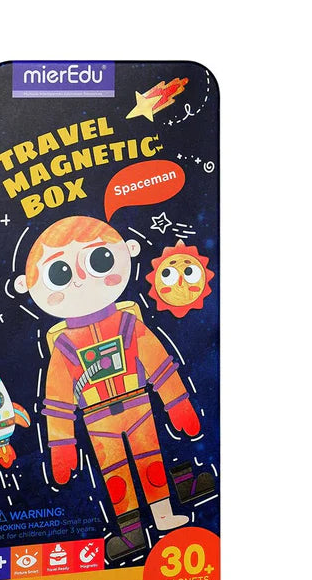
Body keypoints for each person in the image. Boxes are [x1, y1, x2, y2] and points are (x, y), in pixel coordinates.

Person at [14, 216, 214, 560]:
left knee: (151, 460)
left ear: (127, 252)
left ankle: (163, 515)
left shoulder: (128, 324)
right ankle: (132, 532)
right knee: (115, 474)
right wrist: (62, 445)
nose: (80, 280)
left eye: (98, 259)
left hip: (138, 406)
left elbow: (159, 364)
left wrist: (177, 402)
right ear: (27, 285)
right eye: (60, 273)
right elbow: (58, 401)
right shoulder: (64, 347)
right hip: (98, 419)